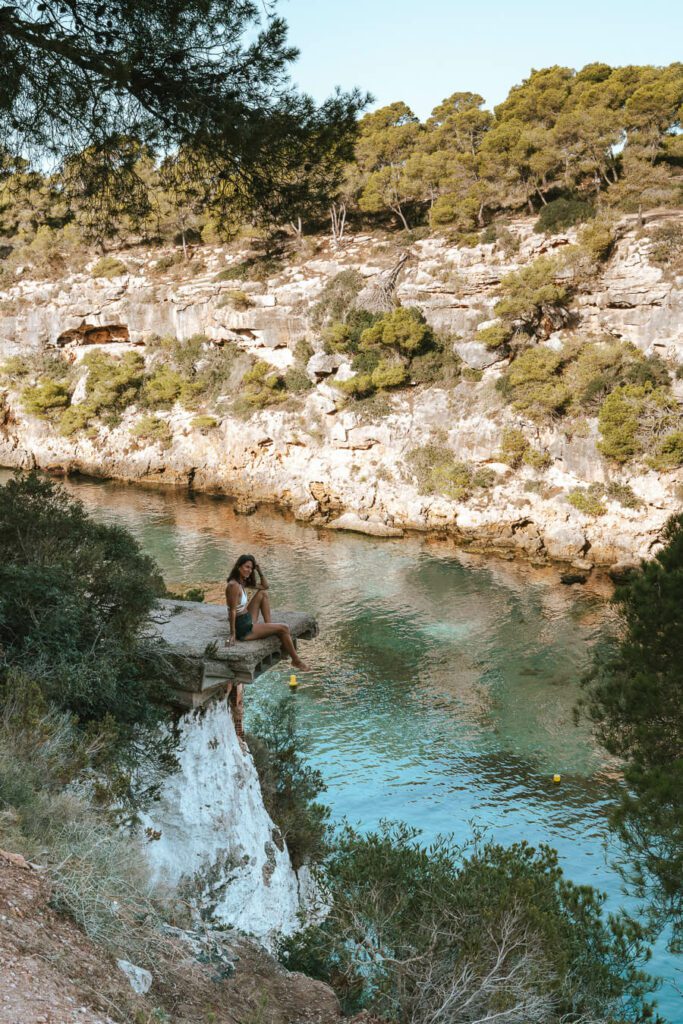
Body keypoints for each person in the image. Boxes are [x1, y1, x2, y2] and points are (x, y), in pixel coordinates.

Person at [225, 554, 310, 671]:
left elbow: (265, 586)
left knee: (262, 593)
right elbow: (232, 610)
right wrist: (232, 634)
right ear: (239, 566)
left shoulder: (241, 581)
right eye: (246, 567)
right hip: (243, 628)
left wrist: (259, 570)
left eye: (251, 568)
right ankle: (296, 661)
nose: (249, 570)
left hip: (246, 618)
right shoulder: (233, 585)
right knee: (284, 628)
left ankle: (269, 626)